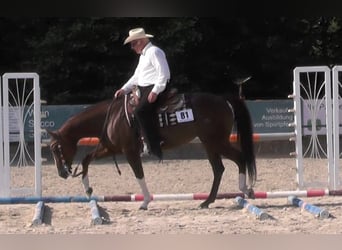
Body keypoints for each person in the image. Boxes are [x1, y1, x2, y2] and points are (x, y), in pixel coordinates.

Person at [114, 27, 171, 160]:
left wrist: (155, 91)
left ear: (140, 42)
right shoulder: (144, 56)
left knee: (140, 111)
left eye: (133, 44)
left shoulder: (154, 52)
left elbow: (164, 73)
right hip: (145, 88)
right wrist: (124, 89)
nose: (132, 47)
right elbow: (137, 76)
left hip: (156, 87)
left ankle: (154, 144)